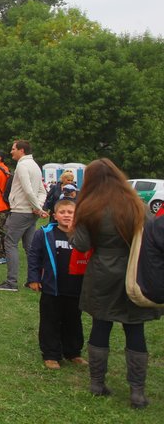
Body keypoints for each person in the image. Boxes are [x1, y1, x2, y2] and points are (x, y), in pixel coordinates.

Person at [70, 158, 161, 408]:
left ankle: (97, 384)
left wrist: (72, 227)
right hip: (135, 272)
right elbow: (152, 236)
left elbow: (82, 244)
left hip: (102, 273)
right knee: (135, 330)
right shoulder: (136, 204)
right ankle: (137, 392)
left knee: (101, 325)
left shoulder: (89, 207)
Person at [26, 199, 86, 370]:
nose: (66, 215)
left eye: (70, 212)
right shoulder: (44, 233)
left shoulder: (83, 235)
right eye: (62, 212)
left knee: (73, 320)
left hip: (76, 287)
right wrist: (33, 278)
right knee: (50, 321)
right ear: (55, 216)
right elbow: (34, 257)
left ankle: (73, 352)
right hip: (52, 288)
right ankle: (51, 355)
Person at [0, 140, 47, 292]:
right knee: (30, 247)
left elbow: (28, 190)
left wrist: (38, 208)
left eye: (13, 149)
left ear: (21, 150)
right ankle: (33, 280)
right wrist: (38, 208)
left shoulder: (23, 166)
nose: (11, 152)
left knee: (10, 243)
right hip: (30, 212)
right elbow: (42, 191)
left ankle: (11, 282)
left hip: (21, 211)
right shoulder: (35, 166)